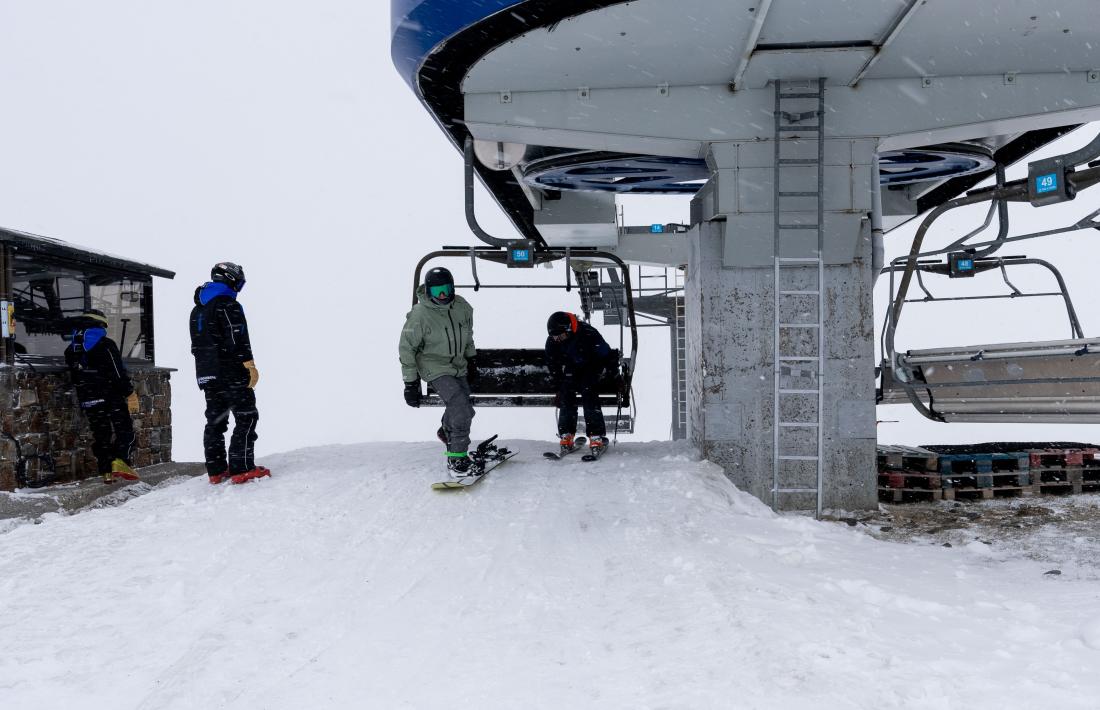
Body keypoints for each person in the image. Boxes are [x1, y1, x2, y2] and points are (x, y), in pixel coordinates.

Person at [189, 262, 268, 485]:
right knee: (246, 416)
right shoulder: (228, 305)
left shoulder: (197, 310)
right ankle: (241, 468)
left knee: (215, 420)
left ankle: (215, 470)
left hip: (206, 374)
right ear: (230, 279)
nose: (238, 288)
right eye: (239, 283)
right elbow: (237, 337)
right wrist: (248, 363)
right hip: (231, 370)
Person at [399, 266, 478, 475]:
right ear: (428, 292)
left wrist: (471, 359)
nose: (442, 295)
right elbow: (406, 349)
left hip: (458, 366)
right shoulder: (420, 315)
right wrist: (411, 382)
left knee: (465, 409)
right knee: (460, 406)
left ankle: (446, 431)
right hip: (433, 367)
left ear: (452, 287)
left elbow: (468, 335)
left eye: (445, 289)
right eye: (436, 291)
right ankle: (457, 457)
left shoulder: (462, 307)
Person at [64, 309, 141, 484]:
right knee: (125, 431)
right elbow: (117, 373)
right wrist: (129, 392)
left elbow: (75, 374)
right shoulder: (106, 344)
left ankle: (106, 471)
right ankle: (120, 461)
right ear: (101, 325)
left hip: (88, 398)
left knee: (101, 435)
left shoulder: (71, 349)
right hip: (110, 396)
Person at [545, 311, 615, 454]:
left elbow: (606, 353)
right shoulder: (553, 341)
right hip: (572, 369)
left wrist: (613, 373)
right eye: (555, 337)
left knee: (588, 391)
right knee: (567, 392)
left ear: (569, 329)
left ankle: (596, 435)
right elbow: (553, 365)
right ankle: (566, 434)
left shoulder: (588, 333)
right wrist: (559, 387)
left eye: (561, 336)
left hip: (592, 367)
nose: (558, 339)